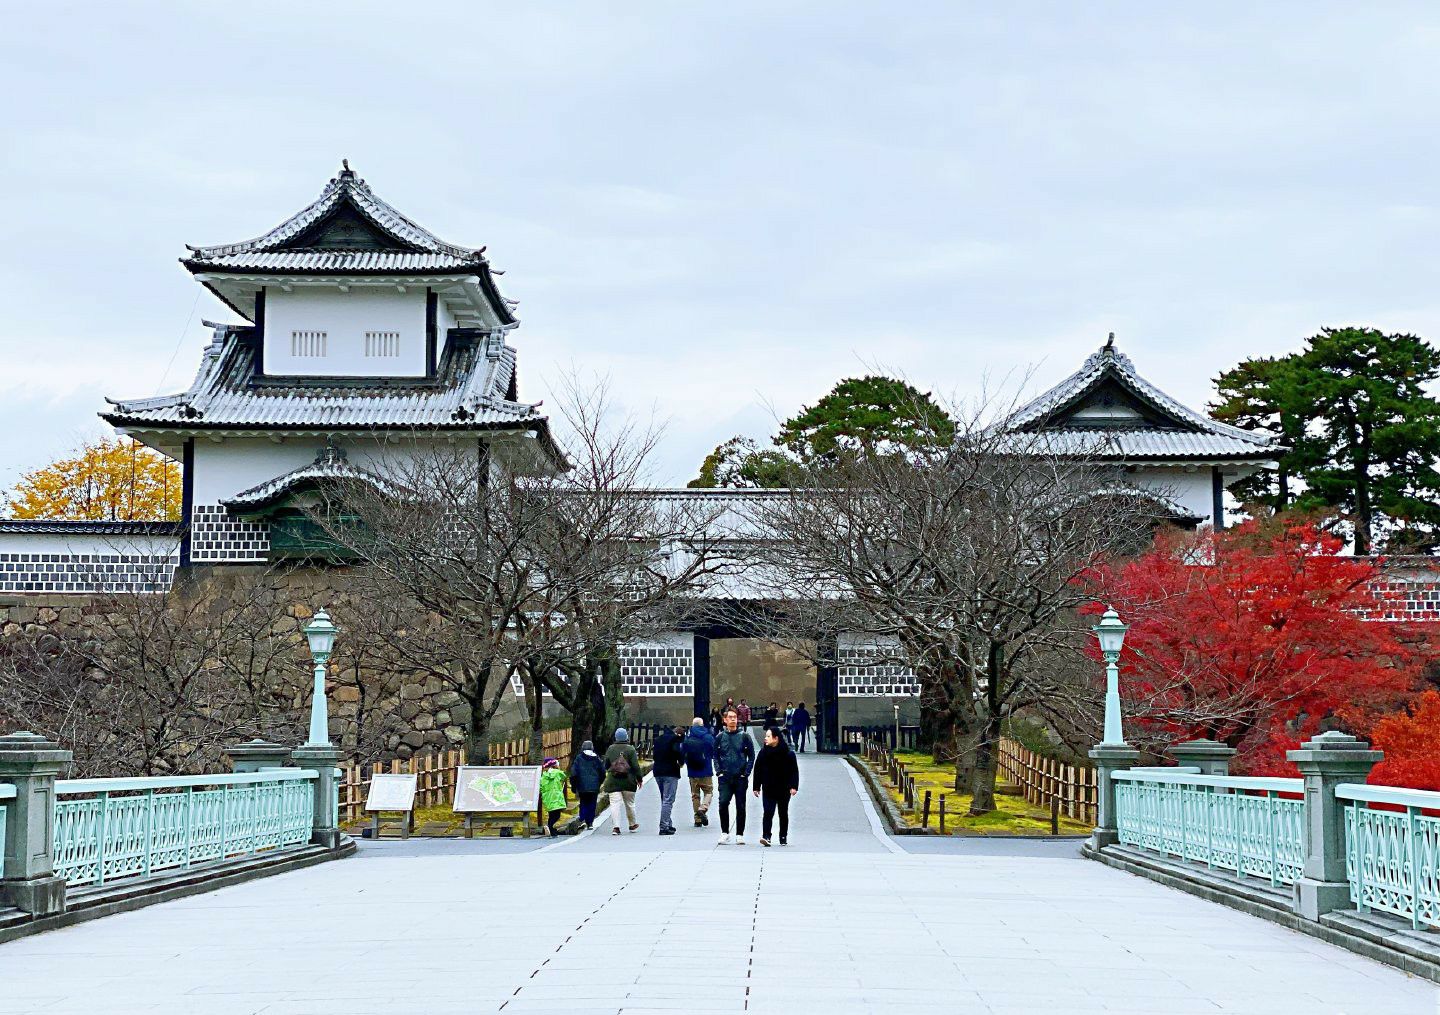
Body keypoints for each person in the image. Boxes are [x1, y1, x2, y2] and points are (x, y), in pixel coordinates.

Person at [751, 726, 800, 846]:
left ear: (776, 738)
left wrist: (794, 786)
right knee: (768, 812)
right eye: (766, 736)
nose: (765, 738)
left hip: (784, 788)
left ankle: (783, 836)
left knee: (783, 813)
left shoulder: (788, 753)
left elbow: (794, 771)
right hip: (768, 787)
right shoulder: (763, 752)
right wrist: (756, 786)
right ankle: (766, 836)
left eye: (768, 736)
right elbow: (758, 769)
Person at [714, 707, 755, 845]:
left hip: (740, 776)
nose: (733, 719)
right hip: (725, 776)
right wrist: (718, 771)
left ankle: (740, 833)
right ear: (724, 720)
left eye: (735, 717)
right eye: (730, 717)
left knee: (741, 805)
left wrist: (746, 773)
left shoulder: (744, 736)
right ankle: (724, 832)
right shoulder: (720, 737)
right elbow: (715, 756)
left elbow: (751, 756)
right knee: (723, 803)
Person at [603, 728, 643, 835]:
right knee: (630, 803)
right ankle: (632, 824)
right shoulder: (630, 749)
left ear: (616, 737)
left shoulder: (611, 749)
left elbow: (606, 765)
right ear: (626, 737)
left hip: (613, 781)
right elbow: (635, 766)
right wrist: (639, 779)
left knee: (615, 804)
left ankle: (616, 827)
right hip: (629, 781)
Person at [682, 716, 717, 826]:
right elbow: (714, 751)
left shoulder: (688, 738)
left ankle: (697, 819)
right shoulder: (708, 737)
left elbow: (683, 753)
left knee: (695, 795)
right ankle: (703, 808)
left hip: (692, 771)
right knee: (709, 792)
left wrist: (687, 763)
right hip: (705, 769)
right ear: (702, 725)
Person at [651, 723, 684, 836]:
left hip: (657, 771)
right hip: (670, 772)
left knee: (664, 799)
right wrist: (681, 762)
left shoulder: (658, 739)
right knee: (668, 799)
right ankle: (664, 826)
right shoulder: (675, 739)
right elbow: (677, 752)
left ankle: (668, 823)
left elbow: (654, 755)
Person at [569, 740, 605, 829]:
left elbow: (573, 773)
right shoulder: (597, 759)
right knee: (592, 804)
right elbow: (603, 773)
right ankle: (590, 823)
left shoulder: (579, 758)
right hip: (594, 786)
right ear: (592, 748)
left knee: (583, 803)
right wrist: (599, 783)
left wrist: (574, 785)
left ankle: (582, 819)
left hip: (582, 786)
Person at [539, 757, 568, 837]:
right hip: (556, 797)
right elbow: (564, 776)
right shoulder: (557, 773)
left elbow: (541, 787)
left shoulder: (543, 776)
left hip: (548, 798)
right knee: (557, 815)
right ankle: (550, 828)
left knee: (551, 815)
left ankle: (552, 832)